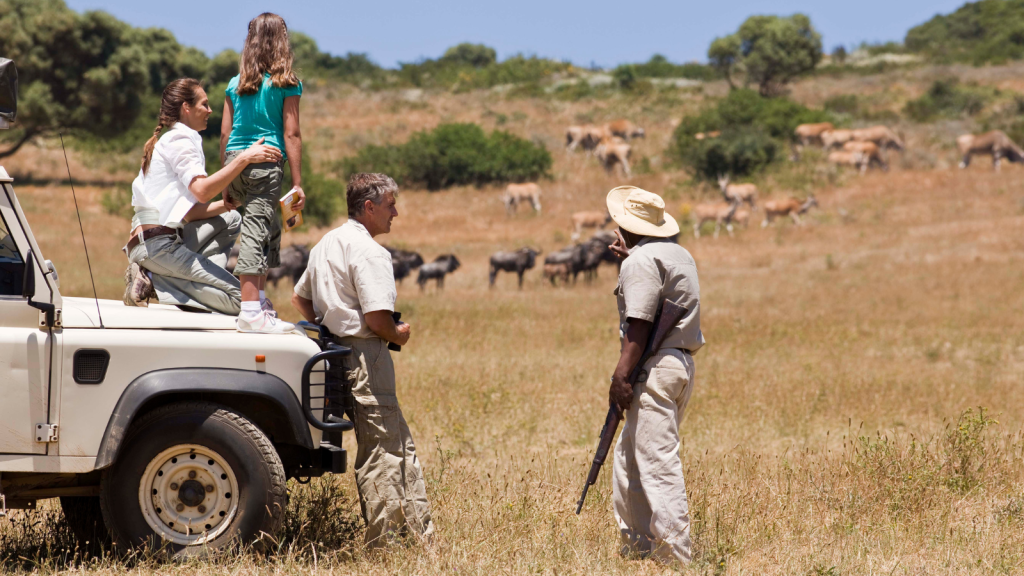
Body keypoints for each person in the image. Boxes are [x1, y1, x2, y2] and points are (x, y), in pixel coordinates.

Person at [291, 173, 434, 547]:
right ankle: (386, 543)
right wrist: (398, 333)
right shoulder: (371, 251)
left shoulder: (326, 242)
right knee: (384, 450)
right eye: (390, 205)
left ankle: (417, 534)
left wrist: (331, 323)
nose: (396, 213)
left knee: (396, 443)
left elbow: (299, 300)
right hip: (366, 356)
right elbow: (376, 319)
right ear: (369, 207)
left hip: (335, 353)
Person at [604, 185, 704, 565]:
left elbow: (640, 323)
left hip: (653, 369)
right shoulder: (678, 254)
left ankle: (676, 558)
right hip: (678, 366)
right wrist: (631, 258)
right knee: (630, 461)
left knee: (657, 465)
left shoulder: (640, 261)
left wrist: (620, 376)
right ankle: (639, 549)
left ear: (624, 225)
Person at [123, 78, 283, 313]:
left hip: (158, 241)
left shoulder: (176, 139)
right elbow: (202, 190)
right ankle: (153, 282)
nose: (210, 110)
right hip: (157, 246)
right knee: (247, 303)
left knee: (232, 219)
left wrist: (229, 204)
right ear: (186, 108)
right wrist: (245, 158)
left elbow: (190, 215)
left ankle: (187, 285)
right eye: (204, 104)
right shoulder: (181, 139)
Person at [221, 12, 305, 333]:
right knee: (258, 231)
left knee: (269, 228)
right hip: (266, 161)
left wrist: (225, 178)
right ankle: (250, 312)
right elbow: (292, 134)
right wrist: (297, 183)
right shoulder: (288, 83)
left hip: (235, 160)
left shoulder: (234, 84)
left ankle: (262, 304)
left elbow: (225, 134)